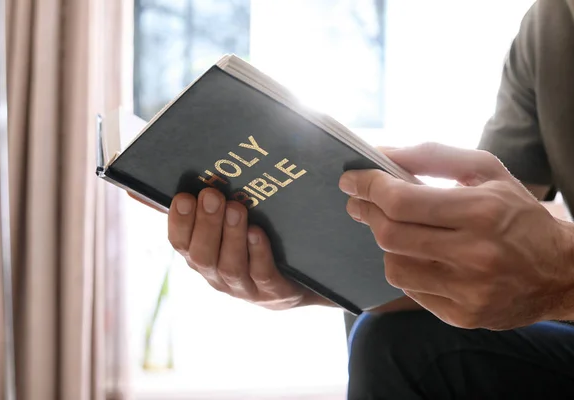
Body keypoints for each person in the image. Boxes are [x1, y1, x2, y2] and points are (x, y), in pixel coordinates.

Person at [150, 0, 574, 398]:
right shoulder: (549, 25)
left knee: (400, 347)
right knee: (384, 309)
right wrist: (314, 281)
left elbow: (543, 263)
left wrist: (562, 268)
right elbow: (495, 257)